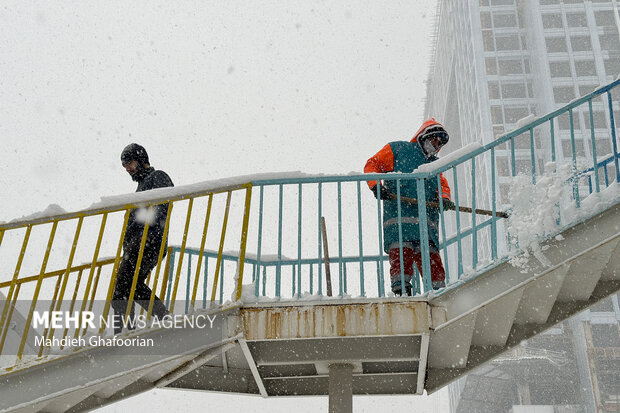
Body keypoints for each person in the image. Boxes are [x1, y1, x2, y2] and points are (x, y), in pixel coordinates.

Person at [364, 119, 453, 296]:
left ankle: (440, 293)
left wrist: (445, 198)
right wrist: (376, 185)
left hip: (425, 226)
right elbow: (372, 164)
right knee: (401, 256)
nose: (436, 146)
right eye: (434, 140)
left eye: (439, 144)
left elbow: (441, 184)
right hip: (399, 222)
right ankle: (401, 291)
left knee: (431, 260)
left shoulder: (434, 165)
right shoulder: (397, 150)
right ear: (424, 137)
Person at [112, 143, 173, 333]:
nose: (128, 169)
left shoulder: (158, 176)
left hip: (149, 243)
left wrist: (144, 235)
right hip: (136, 245)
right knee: (128, 289)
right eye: (125, 166)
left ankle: (124, 334)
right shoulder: (140, 188)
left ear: (142, 160)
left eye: (130, 163)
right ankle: (129, 331)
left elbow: (163, 204)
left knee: (123, 291)